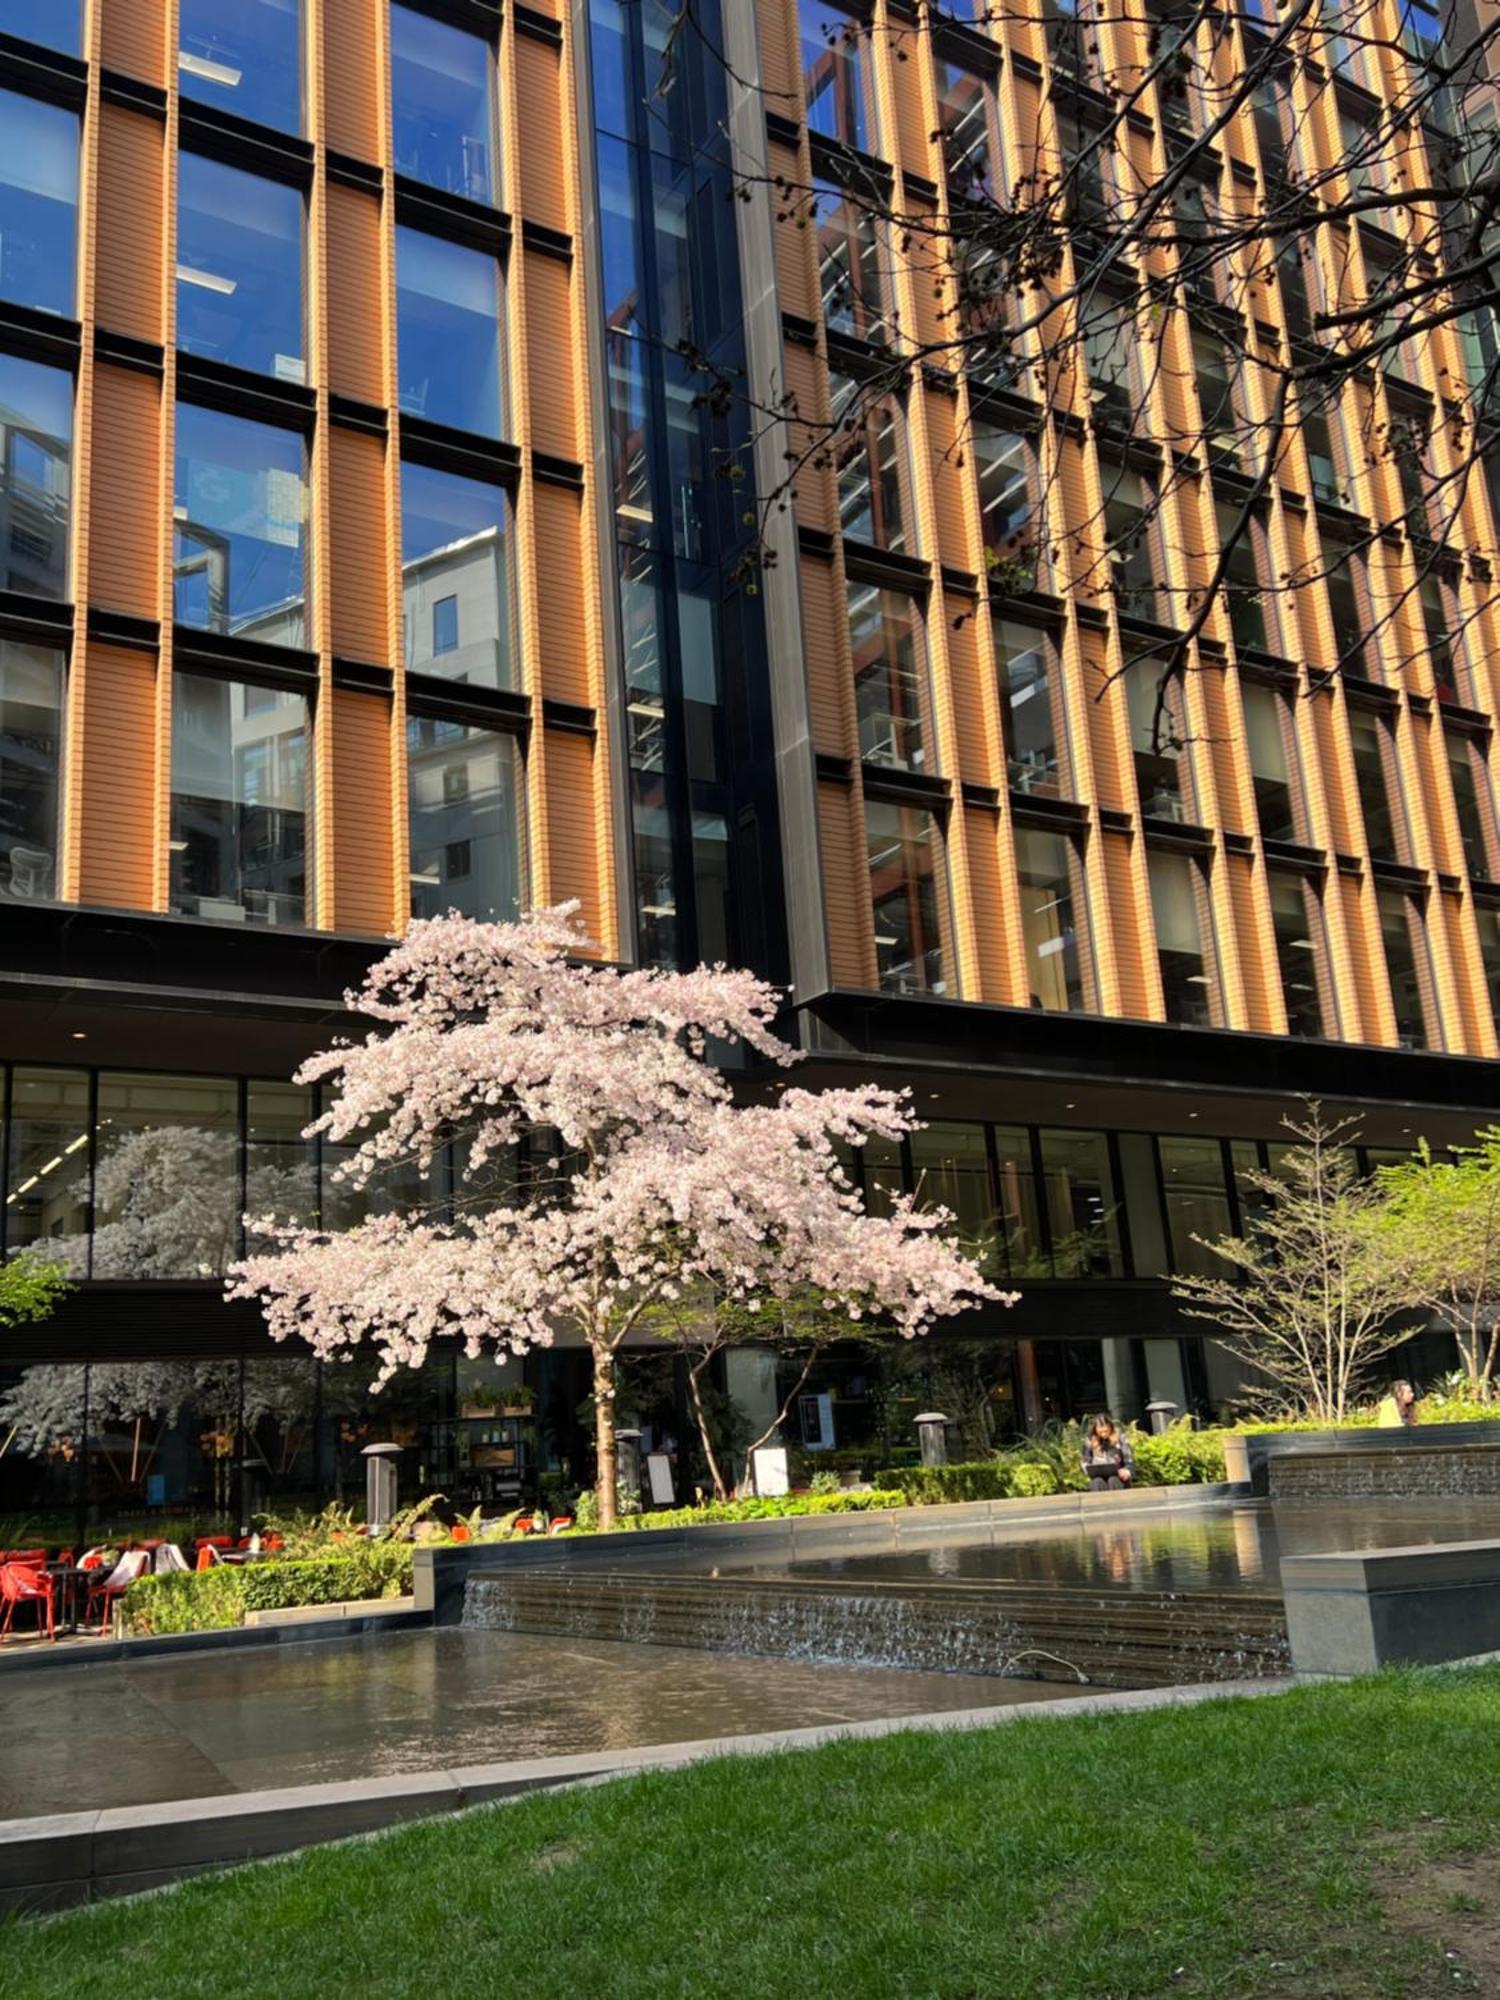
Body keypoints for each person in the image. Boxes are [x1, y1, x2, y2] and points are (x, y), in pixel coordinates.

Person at [1081, 1415, 1134, 1491]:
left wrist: (1126, 1471)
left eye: (1106, 1431)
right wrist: (1088, 1470)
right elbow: (1085, 1461)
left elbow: (1129, 1461)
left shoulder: (1120, 1438)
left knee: (1113, 1480)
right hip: (1097, 1477)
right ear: (1095, 1430)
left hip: (1118, 1477)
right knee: (1097, 1482)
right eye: (1100, 1432)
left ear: (1110, 1427)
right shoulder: (1090, 1441)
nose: (1103, 1434)